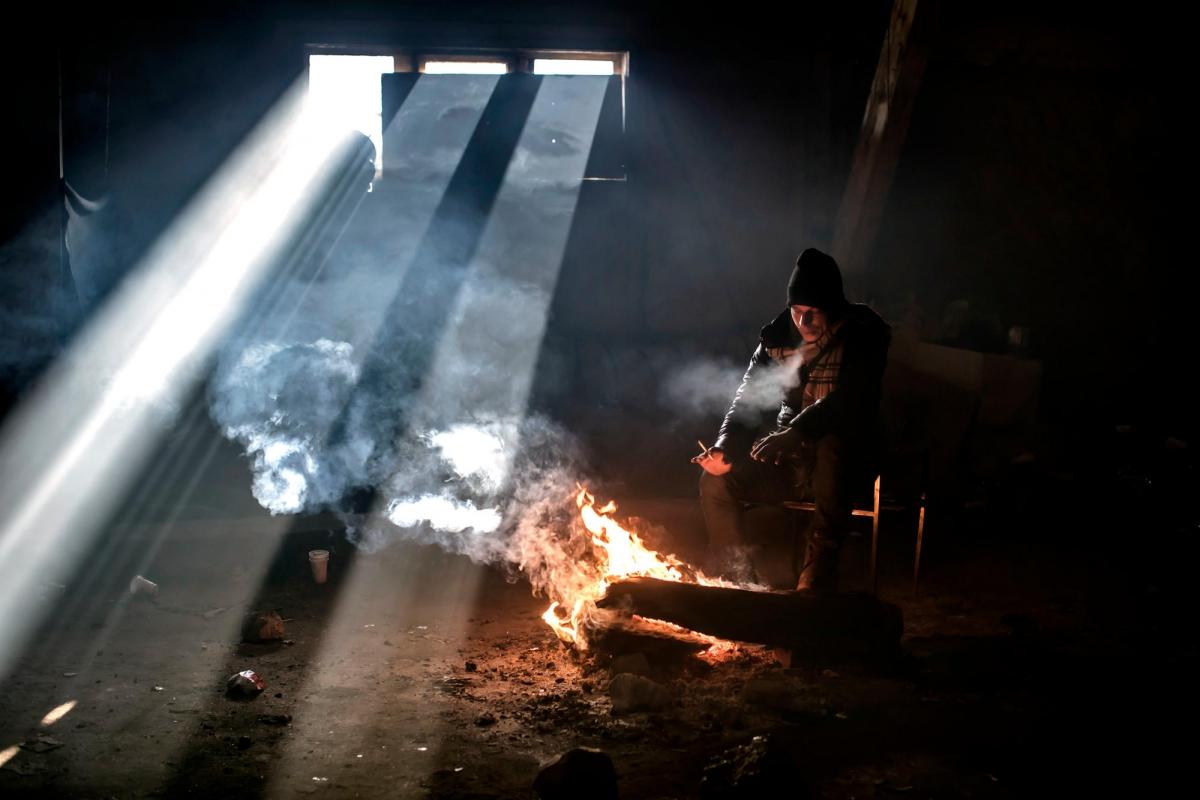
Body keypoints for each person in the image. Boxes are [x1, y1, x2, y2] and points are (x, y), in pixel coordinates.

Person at [694, 248, 890, 592]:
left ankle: (817, 574)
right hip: (791, 462)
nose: (806, 322)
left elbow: (850, 399)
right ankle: (739, 584)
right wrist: (725, 447)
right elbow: (747, 401)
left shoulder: (863, 333)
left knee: (832, 444)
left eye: (815, 312)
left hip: (847, 465)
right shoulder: (776, 341)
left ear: (833, 307)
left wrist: (798, 431)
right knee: (716, 483)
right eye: (798, 312)